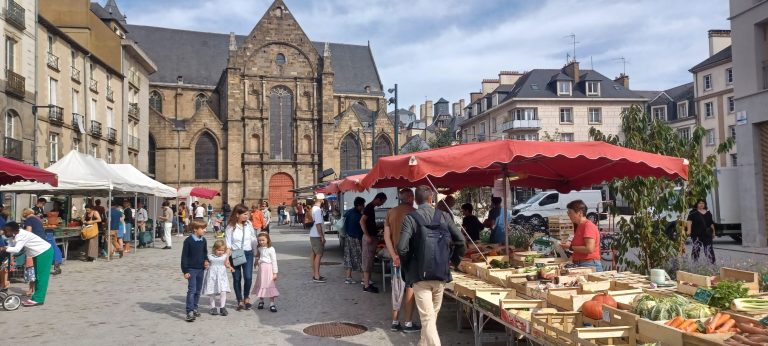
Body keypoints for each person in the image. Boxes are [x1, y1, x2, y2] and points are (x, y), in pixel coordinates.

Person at [398, 186, 466, 346]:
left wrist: (408, 265)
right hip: (441, 273)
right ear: (431, 200)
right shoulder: (444, 216)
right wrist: (453, 261)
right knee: (430, 318)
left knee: (428, 319)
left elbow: (401, 247)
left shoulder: (410, 218)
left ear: (415, 200)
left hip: (419, 276)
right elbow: (461, 241)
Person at [384, 189, 420, 333]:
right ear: (411, 197)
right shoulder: (415, 213)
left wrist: (393, 255)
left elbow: (387, 237)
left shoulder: (391, 212)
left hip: (396, 257)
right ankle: (408, 323)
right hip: (411, 257)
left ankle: (394, 322)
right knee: (409, 289)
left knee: (396, 288)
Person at [2, 221, 54, 307]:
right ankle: (36, 297)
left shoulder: (22, 235)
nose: (5, 233)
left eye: (6, 231)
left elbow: (16, 249)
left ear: (14, 231)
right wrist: (4, 248)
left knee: (41, 277)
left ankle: (39, 299)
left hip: (44, 252)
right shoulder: (14, 235)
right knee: (37, 276)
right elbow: (11, 246)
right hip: (37, 253)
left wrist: (4, 248)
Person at [224, 204, 256, 311]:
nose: (247, 216)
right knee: (237, 278)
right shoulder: (230, 227)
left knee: (248, 277)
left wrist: (257, 254)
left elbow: (253, 239)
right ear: (237, 214)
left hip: (248, 253)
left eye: (248, 214)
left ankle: (246, 297)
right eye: (245, 214)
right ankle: (240, 300)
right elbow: (228, 244)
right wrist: (226, 258)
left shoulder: (249, 224)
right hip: (236, 254)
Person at [562, 200, 602, 272]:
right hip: (582, 264)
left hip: (589, 264)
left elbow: (589, 249)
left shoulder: (588, 226)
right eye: (568, 212)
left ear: (580, 213)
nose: (568, 215)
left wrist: (571, 247)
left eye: (570, 212)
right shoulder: (579, 226)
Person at [181, 220, 209, 322]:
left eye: (205, 228)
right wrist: (185, 271)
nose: (205, 230)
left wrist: (206, 260)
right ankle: (189, 311)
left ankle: (195, 307)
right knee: (192, 290)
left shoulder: (203, 240)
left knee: (198, 290)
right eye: (203, 228)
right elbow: (184, 257)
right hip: (191, 269)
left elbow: (205, 252)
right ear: (195, 229)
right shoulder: (188, 241)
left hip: (201, 269)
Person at [360, 192, 387, 293]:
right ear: (378, 199)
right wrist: (367, 235)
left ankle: (368, 282)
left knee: (370, 260)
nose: (382, 204)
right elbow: (362, 221)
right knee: (367, 261)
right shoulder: (369, 207)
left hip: (372, 237)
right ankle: (366, 286)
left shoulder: (371, 207)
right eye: (382, 202)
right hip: (369, 238)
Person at [202, 239, 233, 316]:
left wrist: (230, 267)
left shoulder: (225, 256)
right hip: (212, 276)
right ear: (214, 249)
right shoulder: (210, 257)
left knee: (223, 291)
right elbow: (206, 264)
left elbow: (226, 264)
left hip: (222, 276)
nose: (221, 252)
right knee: (212, 292)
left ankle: (222, 307)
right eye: (219, 250)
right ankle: (213, 307)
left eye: (222, 250)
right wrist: (205, 265)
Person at [252, 232, 280, 312]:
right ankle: (261, 301)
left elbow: (274, 261)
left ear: (267, 240)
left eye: (263, 240)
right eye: (259, 240)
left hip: (269, 268)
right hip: (261, 269)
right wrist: (256, 262)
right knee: (261, 284)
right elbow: (258, 256)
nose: (261, 242)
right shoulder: (259, 248)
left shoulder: (271, 249)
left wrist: (275, 273)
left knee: (270, 285)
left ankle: (272, 303)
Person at [342, 197, 365, 284]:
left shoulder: (349, 212)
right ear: (359, 205)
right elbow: (360, 228)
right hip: (356, 238)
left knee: (349, 257)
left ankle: (348, 277)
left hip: (348, 238)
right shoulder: (358, 216)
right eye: (363, 205)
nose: (364, 206)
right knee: (360, 257)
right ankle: (363, 278)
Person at [686, 199, 716, 264]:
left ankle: (711, 263)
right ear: (697, 204)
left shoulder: (708, 212)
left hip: (707, 234)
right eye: (699, 203)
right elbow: (689, 221)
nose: (701, 204)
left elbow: (711, 223)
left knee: (709, 249)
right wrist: (689, 230)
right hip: (696, 234)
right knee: (696, 249)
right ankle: (695, 263)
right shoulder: (693, 212)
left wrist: (713, 232)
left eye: (703, 203)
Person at [310, 195, 326, 283]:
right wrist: (322, 236)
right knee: (319, 255)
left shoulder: (313, 208)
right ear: (321, 200)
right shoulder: (318, 210)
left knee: (314, 254)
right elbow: (318, 224)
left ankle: (315, 273)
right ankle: (316, 275)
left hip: (313, 234)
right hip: (316, 235)